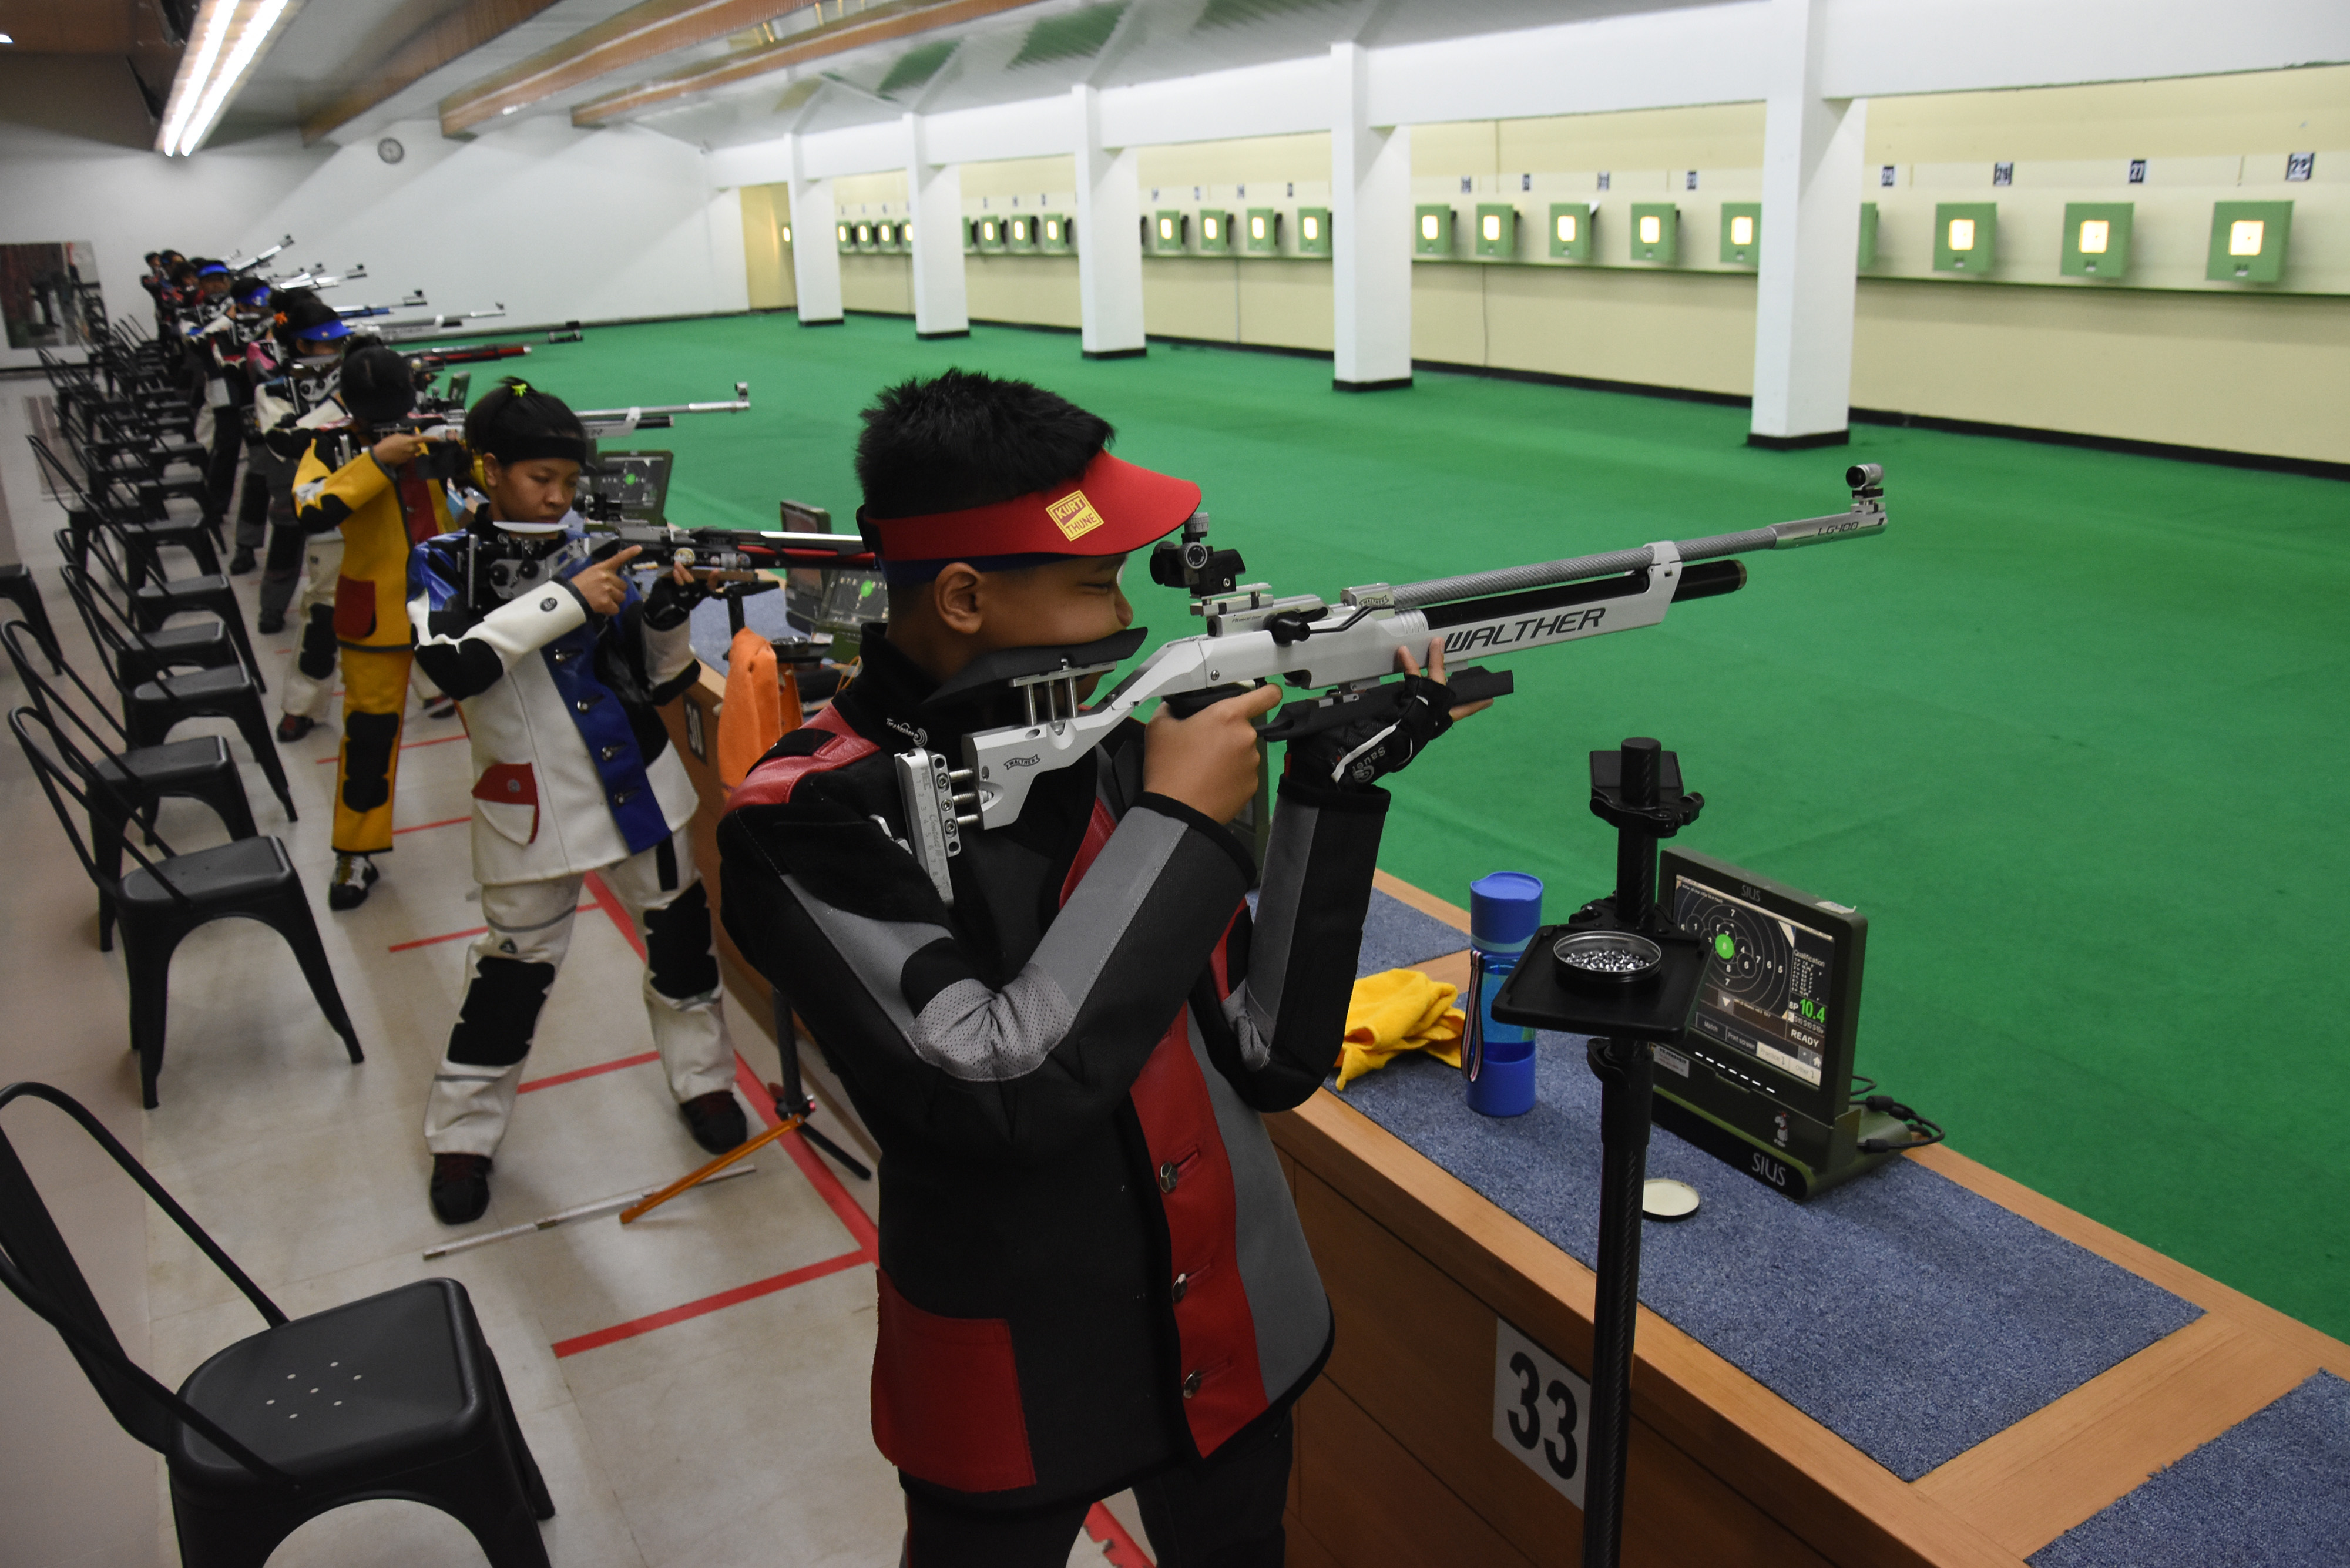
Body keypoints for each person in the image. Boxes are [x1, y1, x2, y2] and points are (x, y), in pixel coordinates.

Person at [715, 370, 1481, 1566]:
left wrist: (1331, 790)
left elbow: (1267, 1054)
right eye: (1093, 581)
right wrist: (1177, 820)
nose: (1126, 613)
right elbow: (996, 1085)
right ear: (964, 595)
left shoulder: (1116, 744)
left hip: (1232, 1317)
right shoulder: (804, 814)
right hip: (1008, 1366)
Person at [408, 378, 746, 1224]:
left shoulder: (597, 550)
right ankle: (462, 1132)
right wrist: (566, 598)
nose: (558, 497)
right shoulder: (442, 561)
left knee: (682, 948)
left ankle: (704, 1080)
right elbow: (452, 667)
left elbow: (657, 679)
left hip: (641, 791)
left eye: (568, 480)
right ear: (489, 469)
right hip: (527, 807)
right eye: (540, 478)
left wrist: (665, 612)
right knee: (510, 977)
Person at [283, 344, 463, 908]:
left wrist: (465, 451)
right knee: (367, 740)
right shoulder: (328, 445)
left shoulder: (433, 432)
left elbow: (489, 477)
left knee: (503, 722)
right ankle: (353, 854)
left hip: (449, 608)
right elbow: (312, 509)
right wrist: (377, 462)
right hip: (373, 618)